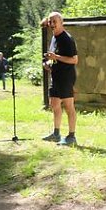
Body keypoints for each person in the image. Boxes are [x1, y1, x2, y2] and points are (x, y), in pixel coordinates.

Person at [41, 11, 78, 146]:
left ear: (61, 23)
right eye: (50, 22)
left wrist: (55, 57)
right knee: (54, 104)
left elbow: (74, 60)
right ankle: (56, 134)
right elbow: (54, 58)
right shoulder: (54, 38)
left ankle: (71, 136)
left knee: (69, 107)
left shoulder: (67, 39)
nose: (52, 24)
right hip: (55, 76)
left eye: (54, 21)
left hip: (66, 78)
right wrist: (48, 64)